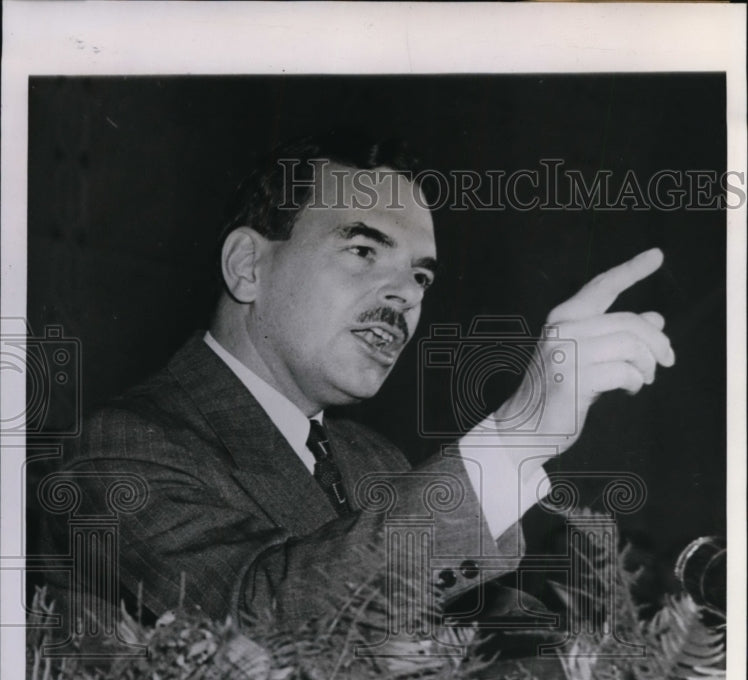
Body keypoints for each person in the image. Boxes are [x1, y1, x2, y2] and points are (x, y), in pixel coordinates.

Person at [40, 132, 674, 638]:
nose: (404, 294)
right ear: (248, 266)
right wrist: (514, 439)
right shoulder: (117, 446)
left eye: (420, 277)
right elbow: (254, 617)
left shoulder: (373, 459)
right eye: (364, 251)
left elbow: (480, 643)